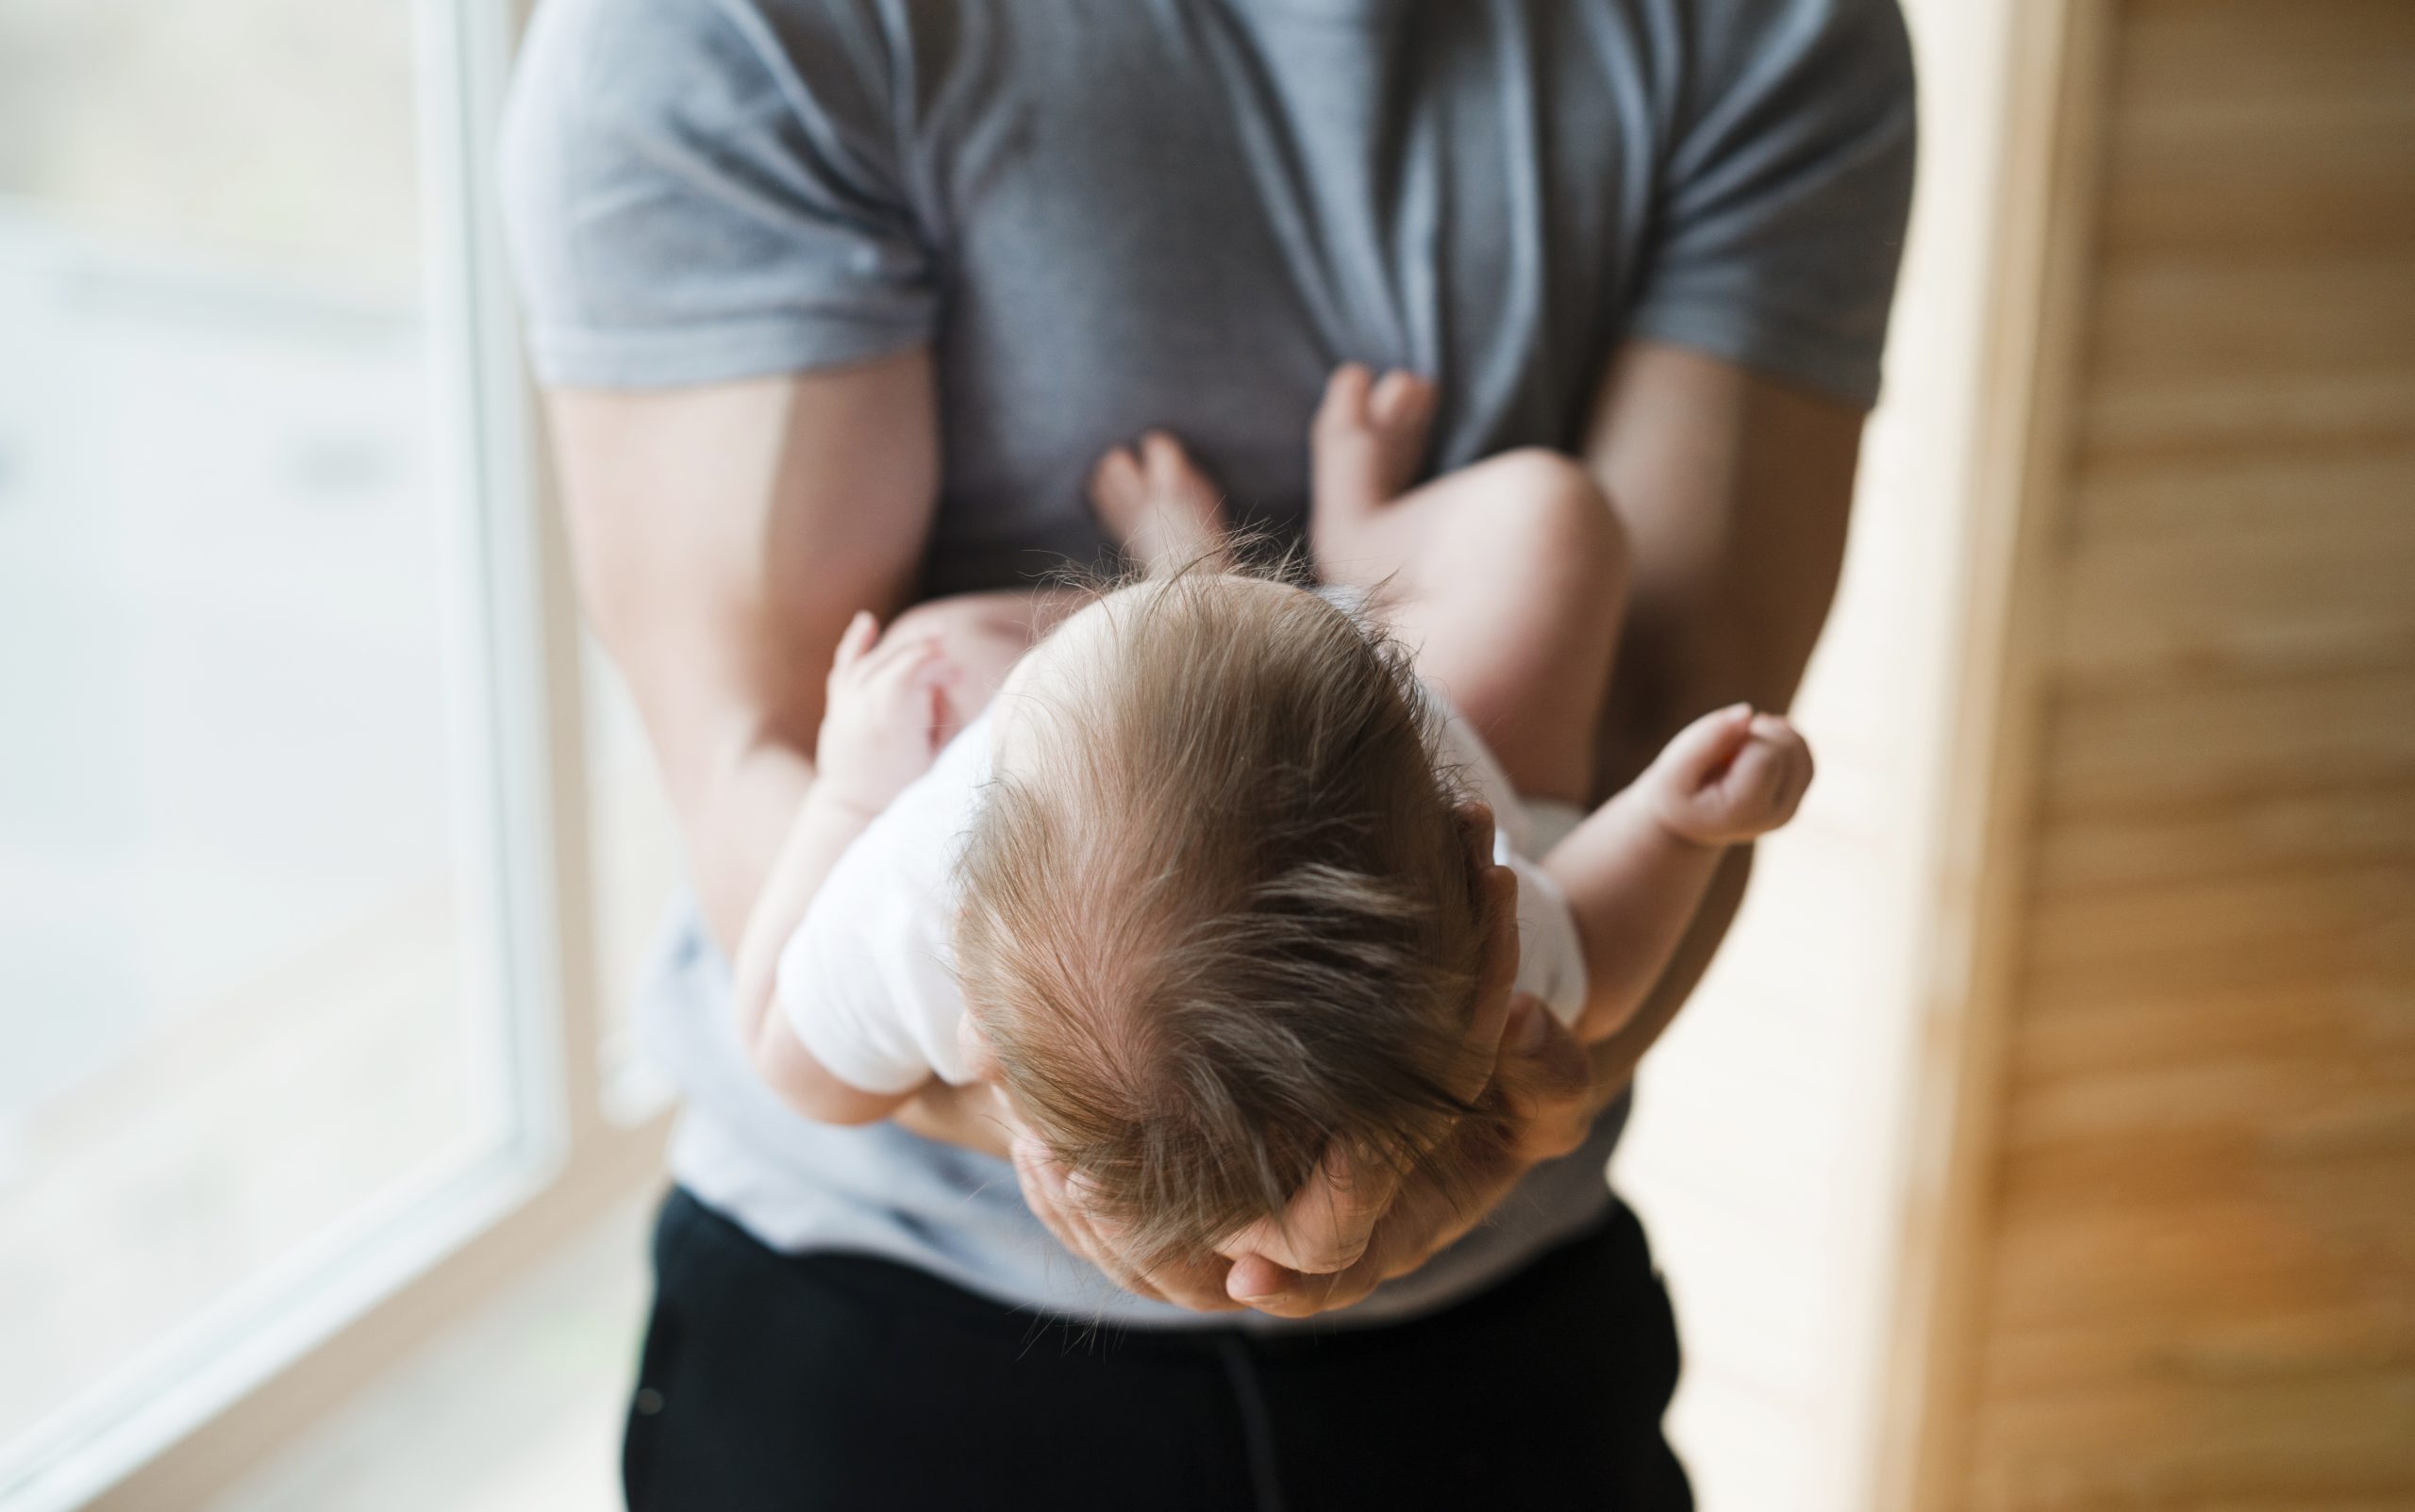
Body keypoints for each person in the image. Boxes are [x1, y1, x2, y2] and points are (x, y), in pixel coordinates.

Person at [499, 0, 1915, 1504]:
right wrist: (1673, 833)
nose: (1102, 615)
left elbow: (798, 1014)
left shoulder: (1772, 29)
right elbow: (749, 752)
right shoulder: (732, 31)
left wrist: (865, 785)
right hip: (893, 1319)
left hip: (1491, 1327)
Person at [734, 365, 1815, 1283]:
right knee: (1553, 521)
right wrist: (1677, 825)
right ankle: (1341, 539)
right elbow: (1595, 956)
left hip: (1069, 761)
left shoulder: (920, 884)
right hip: (1441, 738)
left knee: (923, 662)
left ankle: (1187, 579)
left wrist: (850, 796)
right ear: (1455, 845)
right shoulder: (1450, 934)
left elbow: (791, 1063)